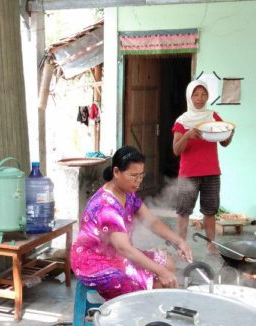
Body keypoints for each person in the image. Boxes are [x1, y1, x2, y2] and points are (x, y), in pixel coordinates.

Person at [70, 146, 193, 300]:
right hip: (95, 260)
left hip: (117, 254)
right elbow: (125, 249)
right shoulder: (105, 206)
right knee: (158, 284)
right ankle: (133, 317)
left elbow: (151, 221)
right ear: (116, 172)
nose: (138, 181)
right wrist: (160, 273)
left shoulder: (129, 194)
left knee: (168, 264)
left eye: (141, 175)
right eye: (133, 176)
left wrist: (179, 241)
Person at [172, 80, 235, 254]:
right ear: (189, 96)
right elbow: (176, 150)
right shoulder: (182, 121)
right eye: (196, 94)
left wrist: (230, 134)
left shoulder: (213, 116)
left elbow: (224, 142)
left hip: (211, 172)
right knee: (184, 211)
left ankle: (211, 244)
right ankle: (181, 245)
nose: (200, 98)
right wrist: (188, 135)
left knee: (210, 210)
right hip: (188, 173)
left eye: (203, 94)